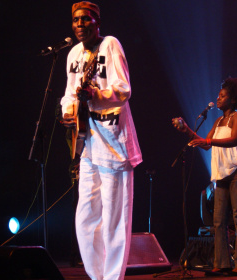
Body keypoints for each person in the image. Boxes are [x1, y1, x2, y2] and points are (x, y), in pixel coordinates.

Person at [61, 2, 142, 279]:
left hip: (114, 143)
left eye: (85, 19)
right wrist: (69, 112)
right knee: (85, 217)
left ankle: (111, 277)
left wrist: (96, 95)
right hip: (87, 145)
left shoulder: (110, 45)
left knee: (114, 220)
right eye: (75, 20)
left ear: (97, 22)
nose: (80, 24)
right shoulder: (73, 53)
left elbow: (123, 89)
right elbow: (69, 94)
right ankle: (96, 276)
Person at [172, 77, 237, 276]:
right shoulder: (218, 121)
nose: (217, 98)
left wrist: (209, 140)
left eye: (223, 95)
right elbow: (206, 142)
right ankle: (222, 263)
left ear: (233, 99)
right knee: (218, 220)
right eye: (219, 95)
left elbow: (234, 140)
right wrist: (186, 130)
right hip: (221, 171)